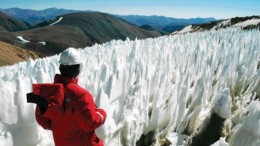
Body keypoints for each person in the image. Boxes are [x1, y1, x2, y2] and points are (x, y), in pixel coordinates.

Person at [34, 48, 107, 146]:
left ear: (60, 68)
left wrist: (60, 125)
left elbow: (42, 119)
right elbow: (90, 122)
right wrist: (101, 113)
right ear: (77, 70)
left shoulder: (49, 93)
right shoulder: (81, 95)